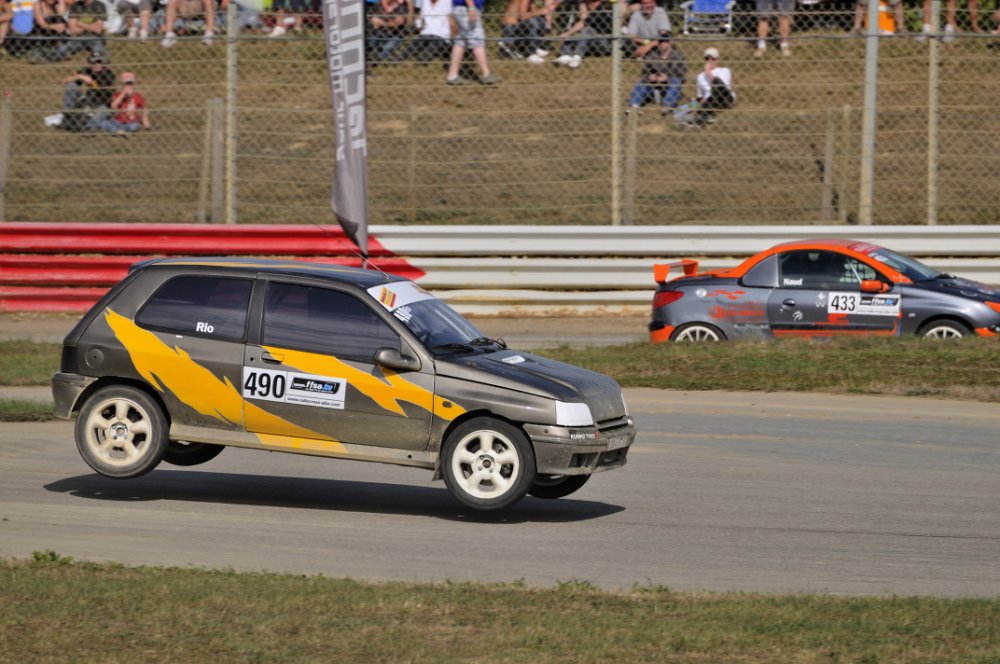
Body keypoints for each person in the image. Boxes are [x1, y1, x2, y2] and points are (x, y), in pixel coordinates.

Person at [627, 32, 685, 115]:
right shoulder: (652, 56)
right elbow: (644, 73)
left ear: (671, 42)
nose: (663, 44)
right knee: (640, 83)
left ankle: (667, 106)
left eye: (666, 41)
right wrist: (649, 77)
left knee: (676, 81)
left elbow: (682, 77)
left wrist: (667, 78)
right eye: (661, 41)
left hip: (670, 89)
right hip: (653, 88)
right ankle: (634, 105)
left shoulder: (679, 57)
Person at [58, 51, 116, 132]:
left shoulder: (108, 73)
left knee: (99, 115)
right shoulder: (86, 70)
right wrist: (80, 76)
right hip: (88, 101)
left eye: (99, 61)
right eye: (94, 62)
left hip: (103, 105)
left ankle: (87, 129)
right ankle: (67, 114)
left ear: (102, 62)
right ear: (89, 63)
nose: (97, 64)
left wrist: (93, 83)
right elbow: (64, 81)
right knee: (71, 85)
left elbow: (110, 95)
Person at [446, 0, 501, 85]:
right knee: (477, 38)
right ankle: (486, 74)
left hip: (461, 7)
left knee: (461, 41)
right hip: (466, 8)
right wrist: (471, 8)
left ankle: (452, 75)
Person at [40, 0, 107, 63]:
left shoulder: (99, 6)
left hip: (95, 38)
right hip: (80, 38)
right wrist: (91, 27)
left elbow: (98, 30)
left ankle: (100, 56)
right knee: (63, 49)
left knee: (97, 49)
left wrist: (79, 23)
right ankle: (46, 58)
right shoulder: (75, 6)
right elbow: (72, 30)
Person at [553, 0, 612, 68]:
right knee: (572, 30)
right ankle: (565, 55)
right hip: (592, 44)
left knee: (586, 29)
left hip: (606, 45)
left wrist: (567, 33)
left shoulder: (601, 10)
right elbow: (583, 19)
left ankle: (577, 57)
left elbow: (583, 23)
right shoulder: (592, 11)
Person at [691, 46, 734, 126]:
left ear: (718, 59)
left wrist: (708, 72)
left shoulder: (724, 70)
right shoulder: (700, 77)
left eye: (713, 58)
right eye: (707, 58)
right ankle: (699, 122)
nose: (710, 61)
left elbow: (721, 87)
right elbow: (700, 96)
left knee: (716, 81)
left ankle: (707, 114)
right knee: (710, 99)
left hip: (724, 98)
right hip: (711, 101)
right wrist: (701, 100)